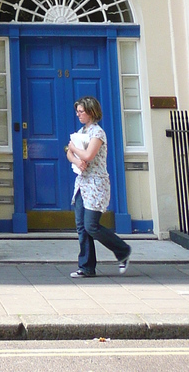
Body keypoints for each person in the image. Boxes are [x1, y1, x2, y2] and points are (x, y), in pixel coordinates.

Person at [66, 95, 132, 278]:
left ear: (91, 112)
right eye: (77, 111)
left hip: (96, 184)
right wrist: (75, 160)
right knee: (81, 226)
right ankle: (86, 267)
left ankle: (122, 250)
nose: (78, 114)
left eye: (81, 111)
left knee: (91, 225)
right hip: (81, 183)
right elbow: (69, 154)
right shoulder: (81, 131)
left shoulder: (97, 133)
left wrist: (75, 149)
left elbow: (87, 155)